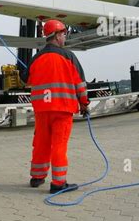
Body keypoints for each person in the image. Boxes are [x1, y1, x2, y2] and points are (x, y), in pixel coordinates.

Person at [23, 19, 90, 193]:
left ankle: (37, 177)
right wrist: (84, 104)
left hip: (42, 110)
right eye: (64, 34)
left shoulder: (36, 58)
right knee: (59, 145)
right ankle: (58, 183)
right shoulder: (69, 57)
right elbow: (80, 85)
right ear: (57, 35)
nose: (65, 38)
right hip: (62, 109)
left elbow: (26, 80)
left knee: (41, 143)